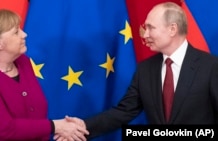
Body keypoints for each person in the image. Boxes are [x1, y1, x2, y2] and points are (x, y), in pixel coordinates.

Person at [55, 1, 218, 140]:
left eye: (150, 28)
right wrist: (83, 126)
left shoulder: (211, 66)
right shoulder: (146, 69)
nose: (145, 34)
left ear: (172, 29)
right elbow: (124, 111)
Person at [0, 9, 89, 141]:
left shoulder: (23, 62)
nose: (24, 34)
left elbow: (35, 114)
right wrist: (56, 126)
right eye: (16, 32)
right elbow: (4, 129)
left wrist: (66, 128)